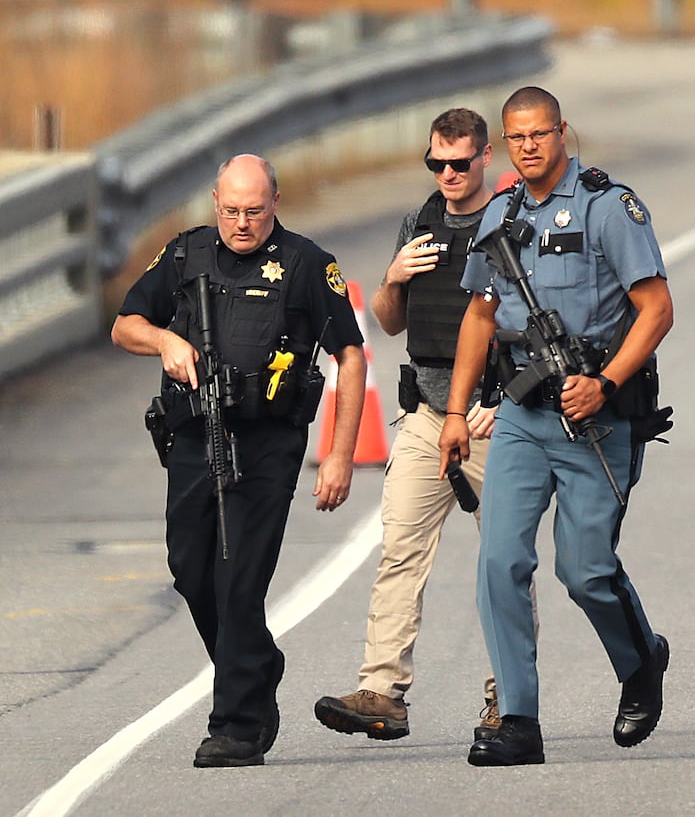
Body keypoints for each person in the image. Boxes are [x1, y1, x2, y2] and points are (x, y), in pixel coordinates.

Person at [439, 86, 672, 767]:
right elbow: (479, 317)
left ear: (562, 131)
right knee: (498, 560)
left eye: (540, 133)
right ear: (505, 144)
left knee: (586, 571)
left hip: (596, 420)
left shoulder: (608, 207)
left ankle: (640, 663)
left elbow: (655, 309)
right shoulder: (499, 215)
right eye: (517, 137)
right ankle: (518, 719)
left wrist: (606, 384)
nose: (530, 146)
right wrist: (456, 413)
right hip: (521, 415)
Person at [112, 154, 365, 768]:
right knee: (190, 569)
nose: (242, 223)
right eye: (230, 210)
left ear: (275, 202)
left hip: (268, 445)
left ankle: (237, 724)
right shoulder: (184, 254)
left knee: (238, 578)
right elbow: (125, 325)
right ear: (214, 203)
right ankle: (256, 662)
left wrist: (339, 457)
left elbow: (350, 357)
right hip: (195, 438)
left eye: (254, 210)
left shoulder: (307, 265)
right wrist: (167, 340)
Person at [313, 108, 537, 744]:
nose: (447, 174)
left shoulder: (512, 221)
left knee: (503, 563)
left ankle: (508, 702)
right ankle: (382, 692)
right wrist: (392, 278)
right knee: (399, 553)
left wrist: (506, 400)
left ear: (484, 158)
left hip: (495, 418)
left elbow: (536, 319)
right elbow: (388, 322)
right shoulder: (419, 222)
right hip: (426, 416)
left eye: (459, 163)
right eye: (435, 163)